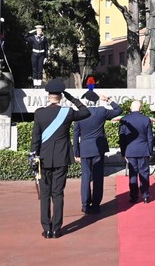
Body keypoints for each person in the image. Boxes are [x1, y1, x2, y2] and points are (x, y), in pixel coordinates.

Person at [31, 78, 91, 239]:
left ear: (48, 95)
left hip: (43, 159)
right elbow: (86, 112)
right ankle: (57, 229)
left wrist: (33, 156)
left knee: (45, 195)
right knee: (58, 194)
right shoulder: (68, 112)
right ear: (61, 96)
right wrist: (72, 98)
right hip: (61, 158)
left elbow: (35, 138)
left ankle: (46, 229)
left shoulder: (39, 113)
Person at [73, 83, 122, 214]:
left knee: (86, 177)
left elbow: (75, 134)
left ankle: (85, 204)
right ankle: (95, 205)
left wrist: (76, 152)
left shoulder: (80, 114)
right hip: (98, 149)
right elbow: (118, 110)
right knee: (98, 177)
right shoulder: (101, 111)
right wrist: (109, 100)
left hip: (84, 149)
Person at [119, 100, 153, 204]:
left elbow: (122, 138)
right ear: (140, 108)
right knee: (144, 173)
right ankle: (145, 195)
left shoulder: (124, 120)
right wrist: (150, 151)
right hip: (143, 150)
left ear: (130, 108)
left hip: (130, 150)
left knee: (133, 174)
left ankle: (133, 196)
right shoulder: (146, 119)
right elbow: (150, 137)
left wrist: (123, 152)